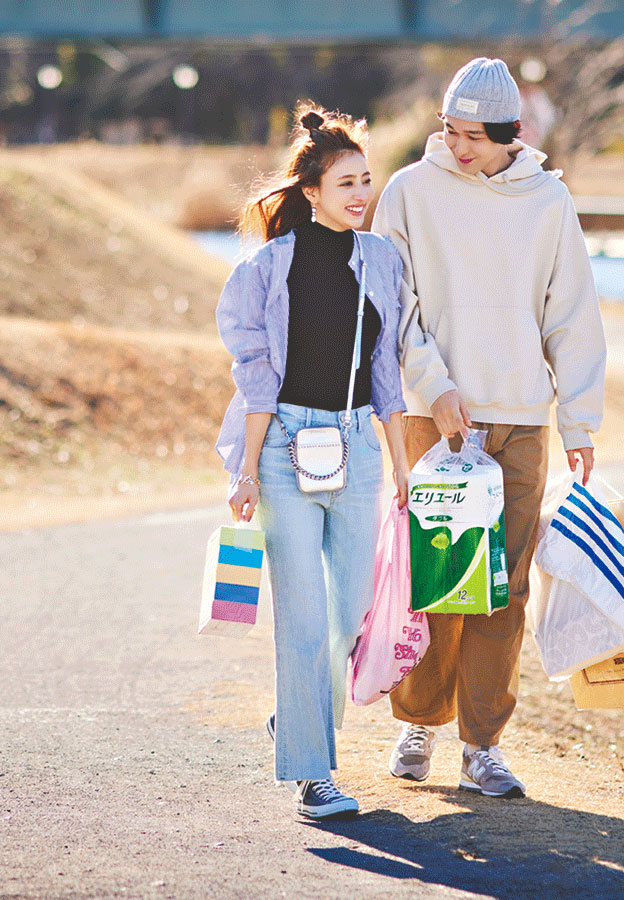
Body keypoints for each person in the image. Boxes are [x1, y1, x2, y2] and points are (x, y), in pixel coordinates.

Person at [372, 57, 606, 798]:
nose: (458, 146)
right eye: (449, 130)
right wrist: (434, 388)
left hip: (519, 423)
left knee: (502, 593)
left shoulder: (548, 201)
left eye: (473, 135)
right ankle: (419, 724)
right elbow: (391, 305)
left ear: (512, 133)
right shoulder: (410, 192)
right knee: (437, 582)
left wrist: (579, 420)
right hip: (434, 420)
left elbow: (572, 316)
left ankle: (482, 745)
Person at [216, 104, 409, 819]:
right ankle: (313, 772)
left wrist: (402, 466)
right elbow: (256, 379)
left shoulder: (382, 260)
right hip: (285, 451)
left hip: (359, 447)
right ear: (311, 192)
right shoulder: (267, 269)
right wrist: (245, 470)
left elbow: (387, 372)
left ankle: (296, 720)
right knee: (302, 614)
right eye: (346, 183)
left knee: (350, 615)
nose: (361, 194)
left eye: (366, 180)